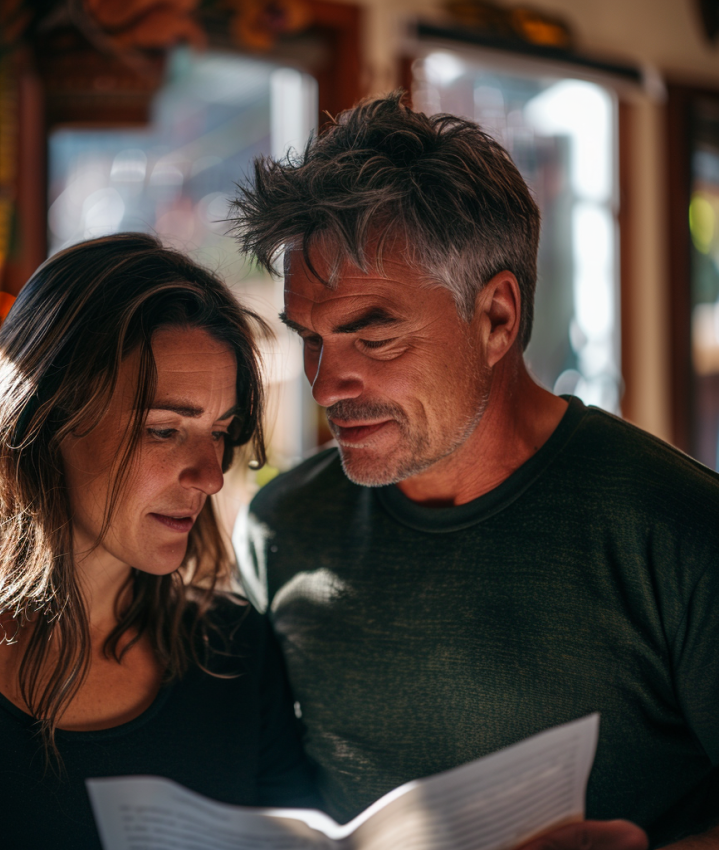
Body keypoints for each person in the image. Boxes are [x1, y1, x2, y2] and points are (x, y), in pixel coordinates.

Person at [232, 92, 719, 849]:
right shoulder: (279, 529)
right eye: (312, 339)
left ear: (497, 318)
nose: (327, 386)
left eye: (375, 339)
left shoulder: (681, 533)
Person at [0, 233, 318, 849]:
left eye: (220, 431)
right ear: (42, 421)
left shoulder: (237, 656)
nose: (211, 476)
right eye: (164, 430)